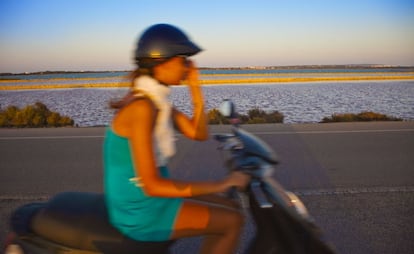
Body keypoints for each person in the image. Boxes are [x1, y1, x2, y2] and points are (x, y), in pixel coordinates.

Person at [104, 24, 250, 254]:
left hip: (149, 198)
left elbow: (198, 134)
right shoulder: (142, 108)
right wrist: (222, 183)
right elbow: (152, 185)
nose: (188, 66)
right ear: (159, 61)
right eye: (183, 59)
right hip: (140, 210)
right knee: (232, 221)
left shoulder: (156, 102)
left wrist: (195, 87)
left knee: (231, 206)